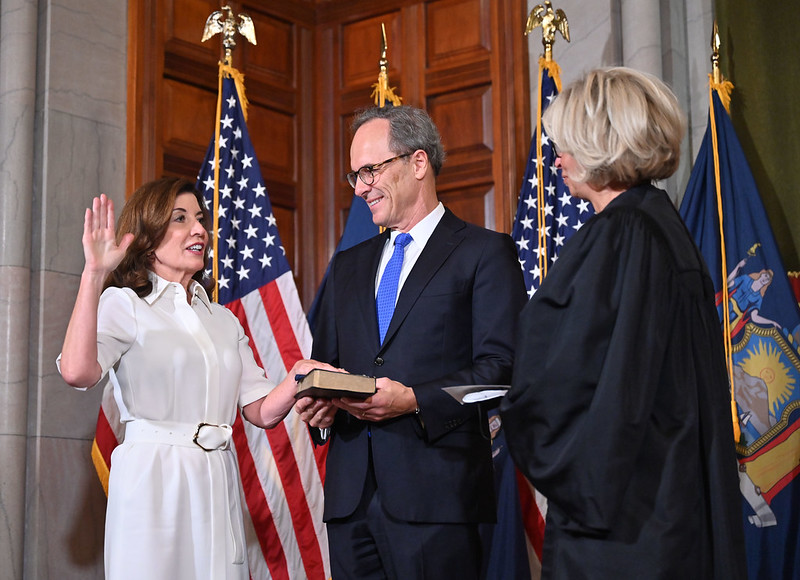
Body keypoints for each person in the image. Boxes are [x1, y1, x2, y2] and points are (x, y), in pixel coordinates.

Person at [499, 67, 747, 578]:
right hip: (671, 504)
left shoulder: (621, 236)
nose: (558, 159)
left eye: (566, 145)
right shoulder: (659, 223)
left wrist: (515, 403)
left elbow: (575, 379)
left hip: (626, 524)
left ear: (600, 145)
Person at [58, 177, 335, 580]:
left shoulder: (222, 319)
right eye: (180, 219)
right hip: (152, 477)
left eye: (200, 219)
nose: (199, 230)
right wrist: (94, 275)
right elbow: (76, 371)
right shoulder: (124, 304)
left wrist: (298, 377)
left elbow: (260, 410)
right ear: (148, 239)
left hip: (217, 475)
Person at [296, 105, 527, 579]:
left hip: (439, 499)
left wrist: (416, 399)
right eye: (354, 175)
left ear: (418, 162)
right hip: (351, 503)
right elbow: (329, 367)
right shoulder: (348, 266)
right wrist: (320, 406)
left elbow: (502, 372)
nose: (360, 187)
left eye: (370, 170)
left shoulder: (484, 253)